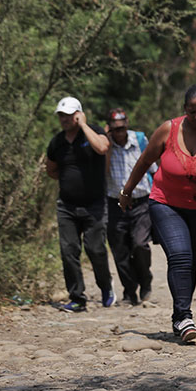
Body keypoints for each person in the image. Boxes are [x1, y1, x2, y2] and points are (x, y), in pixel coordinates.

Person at [118, 85, 196, 343]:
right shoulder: (168, 130)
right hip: (165, 204)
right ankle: (185, 316)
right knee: (180, 256)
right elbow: (144, 161)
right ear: (185, 109)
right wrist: (127, 190)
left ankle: (178, 316)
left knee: (190, 263)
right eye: (192, 111)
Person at [45, 96, 116, 312]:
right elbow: (51, 169)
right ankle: (77, 297)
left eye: (68, 115)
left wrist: (84, 125)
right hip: (67, 206)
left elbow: (103, 148)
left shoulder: (94, 132)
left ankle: (106, 287)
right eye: (61, 115)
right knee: (69, 251)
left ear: (78, 114)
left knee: (95, 249)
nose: (64, 119)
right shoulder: (57, 142)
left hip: (94, 204)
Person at [105, 108, 157, 306]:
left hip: (141, 201)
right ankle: (129, 292)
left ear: (127, 125)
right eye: (115, 129)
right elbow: (102, 172)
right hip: (115, 203)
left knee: (140, 243)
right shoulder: (105, 146)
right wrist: (106, 145)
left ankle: (145, 280)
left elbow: (154, 169)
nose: (119, 133)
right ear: (109, 128)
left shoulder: (140, 141)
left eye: (122, 128)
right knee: (120, 251)